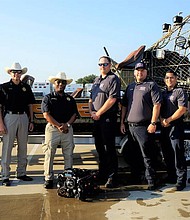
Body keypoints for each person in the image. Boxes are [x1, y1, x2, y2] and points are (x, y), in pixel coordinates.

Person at [120, 62, 162, 190]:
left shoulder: (151, 85)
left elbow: (157, 105)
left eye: (142, 70)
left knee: (147, 155)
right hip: (130, 127)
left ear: (146, 72)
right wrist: (122, 122)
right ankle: (135, 177)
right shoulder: (130, 87)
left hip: (144, 126)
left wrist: (153, 122)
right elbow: (124, 106)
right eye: (138, 70)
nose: (140, 72)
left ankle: (151, 180)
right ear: (134, 72)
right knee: (134, 155)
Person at [0, 62, 35, 186]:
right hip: (9, 117)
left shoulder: (26, 87)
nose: (17, 74)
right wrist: (1, 124)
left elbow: (30, 104)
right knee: (7, 147)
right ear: (10, 73)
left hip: (23, 117)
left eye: (19, 72)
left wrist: (31, 120)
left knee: (23, 146)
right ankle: (5, 175)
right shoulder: (3, 87)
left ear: (21, 74)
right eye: (14, 72)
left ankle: (21, 172)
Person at [41, 72, 78, 189]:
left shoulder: (70, 99)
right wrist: (58, 126)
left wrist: (67, 125)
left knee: (68, 154)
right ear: (54, 84)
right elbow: (46, 115)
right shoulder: (48, 98)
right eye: (58, 82)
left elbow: (74, 115)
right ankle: (48, 178)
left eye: (63, 82)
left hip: (67, 129)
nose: (61, 84)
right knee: (49, 154)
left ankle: (67, 178)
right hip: (52, 129)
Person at [89, 56, 121, 188]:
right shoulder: (96, 80)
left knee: (109, 148)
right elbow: (91, 99)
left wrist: (99, 113)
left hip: (107, 118)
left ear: (110, 65)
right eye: (100, 64)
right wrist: (91, 112)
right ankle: (103, 173)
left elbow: (112, 99)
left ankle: (112, 176)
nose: (102, 66)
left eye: (105, 64)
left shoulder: (113, 79)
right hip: (96, 119)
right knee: (99, 147)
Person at [160, 70, 187, 191]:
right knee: (167, 153)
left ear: (176, 79)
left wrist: (169, 120)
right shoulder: (163, 93)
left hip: (175, 125)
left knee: (177, 153)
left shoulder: (180, 92)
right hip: (164, 126)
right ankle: (171, 176)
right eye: (167, 78)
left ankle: (181, 180)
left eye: (171, 78)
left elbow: (182, 109)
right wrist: (161, 120)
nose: (169, 80)